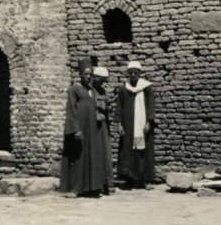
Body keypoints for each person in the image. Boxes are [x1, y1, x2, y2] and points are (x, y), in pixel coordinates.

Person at [60, 58, 107, 197]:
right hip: (80, 128)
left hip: (92, 129)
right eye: (86, 74)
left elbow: (93, 106)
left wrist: (98, 114)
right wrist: (75, 129)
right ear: (80, 74)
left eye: (91, 75)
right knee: (78, 158)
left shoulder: (91, 90)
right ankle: (75, 188)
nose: (88, 77)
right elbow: (71, 110)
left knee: (91, 156)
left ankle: (92, 187)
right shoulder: (74, 89)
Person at [115, 61, 156, 189]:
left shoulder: (147, 88)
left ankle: (146, 179)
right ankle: (129, 178)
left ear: (139, 74)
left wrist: (149, 121)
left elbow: (151, 106)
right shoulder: (123, 89)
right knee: (127, 151)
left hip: (142, 126)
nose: (133, 75)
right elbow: (119, 107)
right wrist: (119, 123)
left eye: (135, 73)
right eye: (130, 73)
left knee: (144, 152)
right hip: (128, 126)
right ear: (128, 74)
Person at [92, 66, 115, 195]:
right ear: (95, 77)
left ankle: (106, 183)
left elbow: (107, 108)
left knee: (105, 152)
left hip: (103, 126)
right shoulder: (89, 91)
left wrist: (109, 104)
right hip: (93, 126)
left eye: (105, 80)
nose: (103, 83)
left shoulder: (103, 90)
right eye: (101, 80)